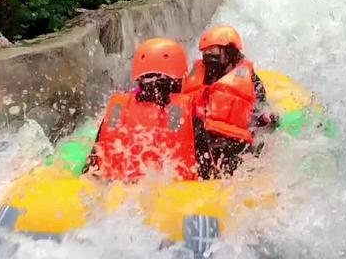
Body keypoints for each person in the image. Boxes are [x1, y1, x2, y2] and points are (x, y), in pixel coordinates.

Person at [86, 38, 198, 182]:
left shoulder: (117, 109)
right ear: (178, 79)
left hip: (116, 194)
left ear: (139, 78)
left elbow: (91, 169)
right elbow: (208, 173)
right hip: (173, 196)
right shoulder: (188, 113)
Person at [182, 25, 279, 179]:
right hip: (204, 143)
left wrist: (267, 118)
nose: (208, 57)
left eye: (213, 51)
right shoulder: (202, 74)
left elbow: (261, 107)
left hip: (234, 144)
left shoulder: (249, 80)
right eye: (205, 53)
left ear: (229, 52)